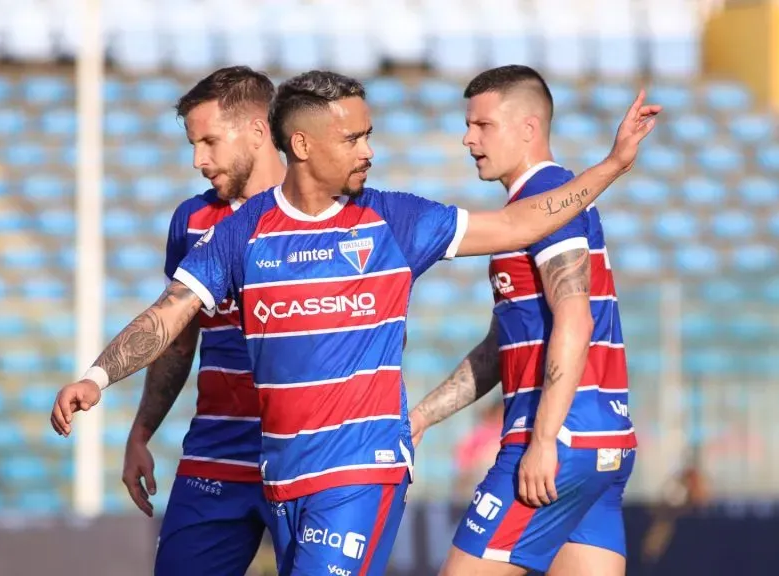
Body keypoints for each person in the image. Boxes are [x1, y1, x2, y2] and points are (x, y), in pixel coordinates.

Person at [49, 69, 659, 576]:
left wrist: (612, 165)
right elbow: (169, 317)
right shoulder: (243, 232)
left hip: (360, 476)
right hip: (280, 476)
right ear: (304, 145)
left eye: (369, 135)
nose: (369, 150)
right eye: (354, 138)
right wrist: (97, 377)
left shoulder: (395, 220)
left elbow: (520, 225)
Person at [410, 65, 637, 576]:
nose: (469, 139)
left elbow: (574, 318)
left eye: (483, 126)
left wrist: (542, 439)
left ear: (529, 128)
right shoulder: (537, 209)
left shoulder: (547, 199)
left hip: (558, 438)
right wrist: (423, 415)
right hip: (603, 445)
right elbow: (500, 347)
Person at [120, 66, 286, 576]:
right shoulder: (192, 221)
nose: (198, 160)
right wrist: (142, 430)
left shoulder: (331, 214)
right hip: (216, 450)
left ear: (258, 130)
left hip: (304, 453)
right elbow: (176, 339)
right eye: (194, 144)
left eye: (210, 141)